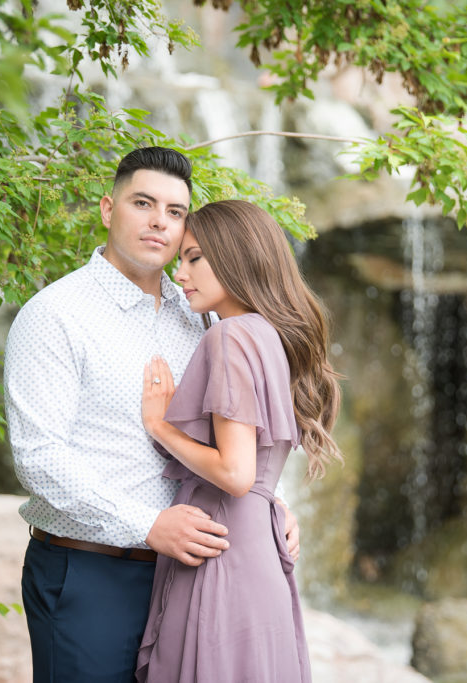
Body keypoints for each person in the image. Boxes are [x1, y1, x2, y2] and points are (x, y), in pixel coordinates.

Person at [3, 147, 299, 682]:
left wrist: (267, 503)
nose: (159, 221)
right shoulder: (55, 315)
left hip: (192, 576)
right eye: (143, 202)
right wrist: (149, 525)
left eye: (175, 211)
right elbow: (38, 457)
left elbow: (229, 438)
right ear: (107, 209)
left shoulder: (202, 316)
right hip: (90, 573)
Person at [135, 200, 342, 682]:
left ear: (236, 257)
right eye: (180, 259)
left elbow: (235, 473)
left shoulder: (229, 337)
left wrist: (159, 425)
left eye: (194, 258)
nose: (180, 272)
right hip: (257, 550)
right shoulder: (271, 335)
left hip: (220, 548)